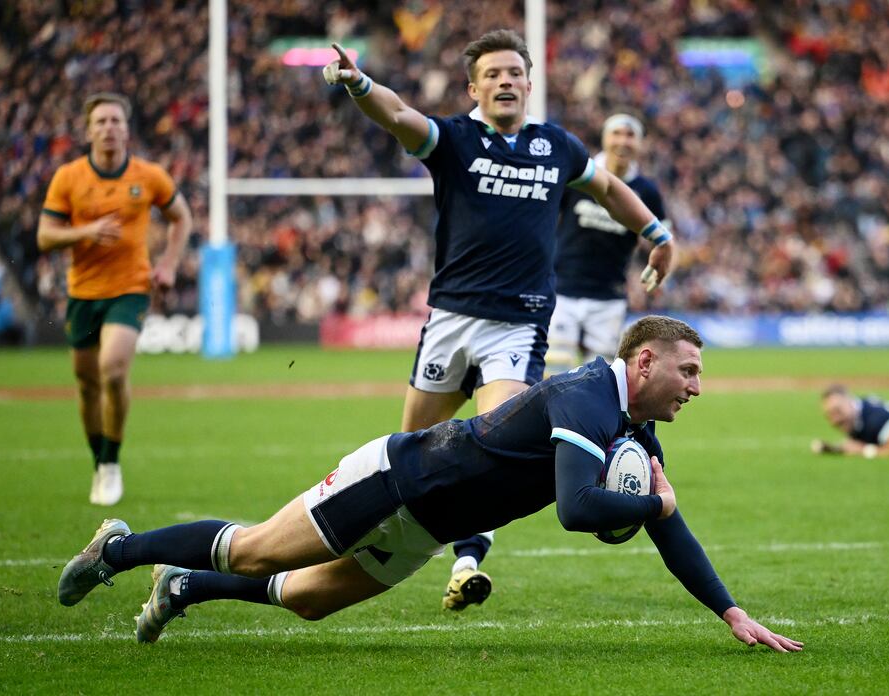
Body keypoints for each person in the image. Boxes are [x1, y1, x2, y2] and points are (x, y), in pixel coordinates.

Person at [57, 316, 804, 652]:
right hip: (396, 478)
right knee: (254, 553)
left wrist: (731, 612)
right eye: (690, 370)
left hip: (430, 525)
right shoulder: (585, 397)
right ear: (645, 363)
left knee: (311, 601)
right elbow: (579, 511)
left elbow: (666, 526)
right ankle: (117, 552)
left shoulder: (633, 427)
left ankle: (183, 587)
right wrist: (651, 501)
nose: (697, 388)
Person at [322, 29, 676, 610]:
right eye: (493, 74)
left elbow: (610, 187)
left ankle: (466, 562)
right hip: (450, 320)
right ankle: (351, 535)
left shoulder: (556, 147)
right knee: (409, 449)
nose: (505, 81)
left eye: (514, 72)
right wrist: (360, 83)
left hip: (518, 325)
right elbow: (399, 116)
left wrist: (656, 235)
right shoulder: (455, 140)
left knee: (495, 453)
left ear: (530, 84)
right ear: (474, 87)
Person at [37, 92, 192, 505]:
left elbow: (182, 217)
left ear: (126, 128)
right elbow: (45, 236)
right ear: (88, 131)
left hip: (130, 288)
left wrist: (169, 265)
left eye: (116, 121)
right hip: (83, 292)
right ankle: (99, 461)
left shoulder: (149, 176)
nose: (109, 128)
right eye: (101, 121)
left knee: (113, 368)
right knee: (87, 384)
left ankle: (111, 462)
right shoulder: (69, 177)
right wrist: (84, 233)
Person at [546, 112, 667, 374]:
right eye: (617, 134)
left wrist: (661, 270)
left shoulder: (646, 191)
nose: (623, 141)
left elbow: (665, 240)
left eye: (630, 135)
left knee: (600, 377)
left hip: (609, 295)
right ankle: (551, 417)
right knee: (553, 371)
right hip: (561, 289)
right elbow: (547, 217)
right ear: (604, 139)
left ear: (641, 144)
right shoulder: (579, 177)